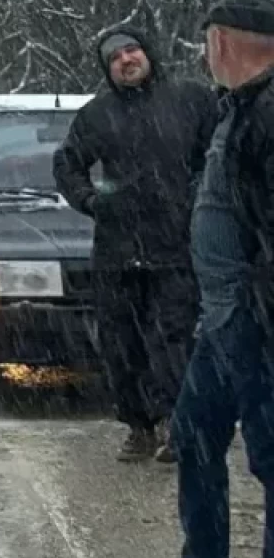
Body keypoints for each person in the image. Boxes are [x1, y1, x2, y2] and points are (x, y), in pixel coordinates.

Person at [53, 23, 217, 462]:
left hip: (176, 247)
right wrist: (90, 200)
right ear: (108, 70)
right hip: (118, 251)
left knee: (173, 340)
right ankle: (138, 426)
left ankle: (176, 426)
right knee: (121, 344)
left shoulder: (192, 100)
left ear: (148, 54)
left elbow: (218, 153)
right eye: (115, 58)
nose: (127, 60)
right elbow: (67, 165)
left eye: (132, 51)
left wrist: (201, 197)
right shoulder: (96, 115)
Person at [172, 0, 274, 558]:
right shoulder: (238, 106)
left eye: (206, 44)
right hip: (224, 323)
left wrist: (255, 309)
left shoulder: (268, 113)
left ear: (221, 42)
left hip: (256, 321)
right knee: (192, 433)